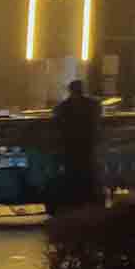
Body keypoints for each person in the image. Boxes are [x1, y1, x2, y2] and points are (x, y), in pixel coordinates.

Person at [52, 79, 102, 210]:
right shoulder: (93, 104)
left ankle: (74, 199)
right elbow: (97, 122)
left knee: (73, 172)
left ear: (70, 90)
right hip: (87, 144)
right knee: (88, 170)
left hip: (70, 145)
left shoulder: (63, 106)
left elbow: (57, 121)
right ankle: (89, 199)